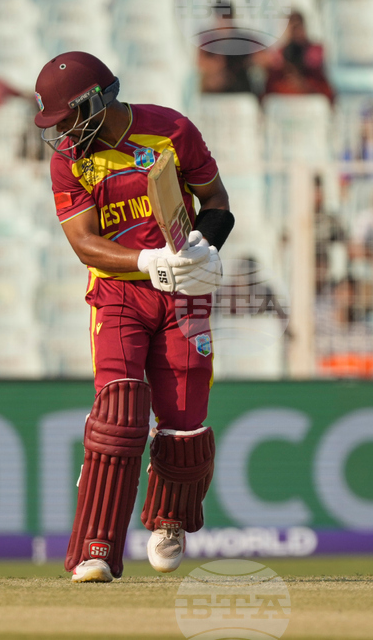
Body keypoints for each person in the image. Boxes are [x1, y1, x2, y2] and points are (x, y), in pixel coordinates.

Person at [33, 52, 234, 582]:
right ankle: (95, 545)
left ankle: (168, 520)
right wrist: (150, 262)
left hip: (184, 294)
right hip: (120, 291)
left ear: (98, 100)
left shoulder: (170, 130)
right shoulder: (70, 159)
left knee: (185, 420)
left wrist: (203, 247)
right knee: (119, 413)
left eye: (69, 118)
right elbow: (85, 244)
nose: (65, 133)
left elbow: (215, 201)